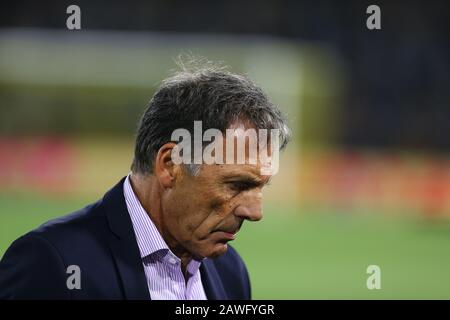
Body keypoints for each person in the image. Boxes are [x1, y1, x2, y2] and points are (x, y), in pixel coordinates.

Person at [0, 59, 290, 299]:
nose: (255, 212)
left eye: (262, 186)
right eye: (237, 185)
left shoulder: (230, 274)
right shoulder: (53, 263)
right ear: (169, 165)